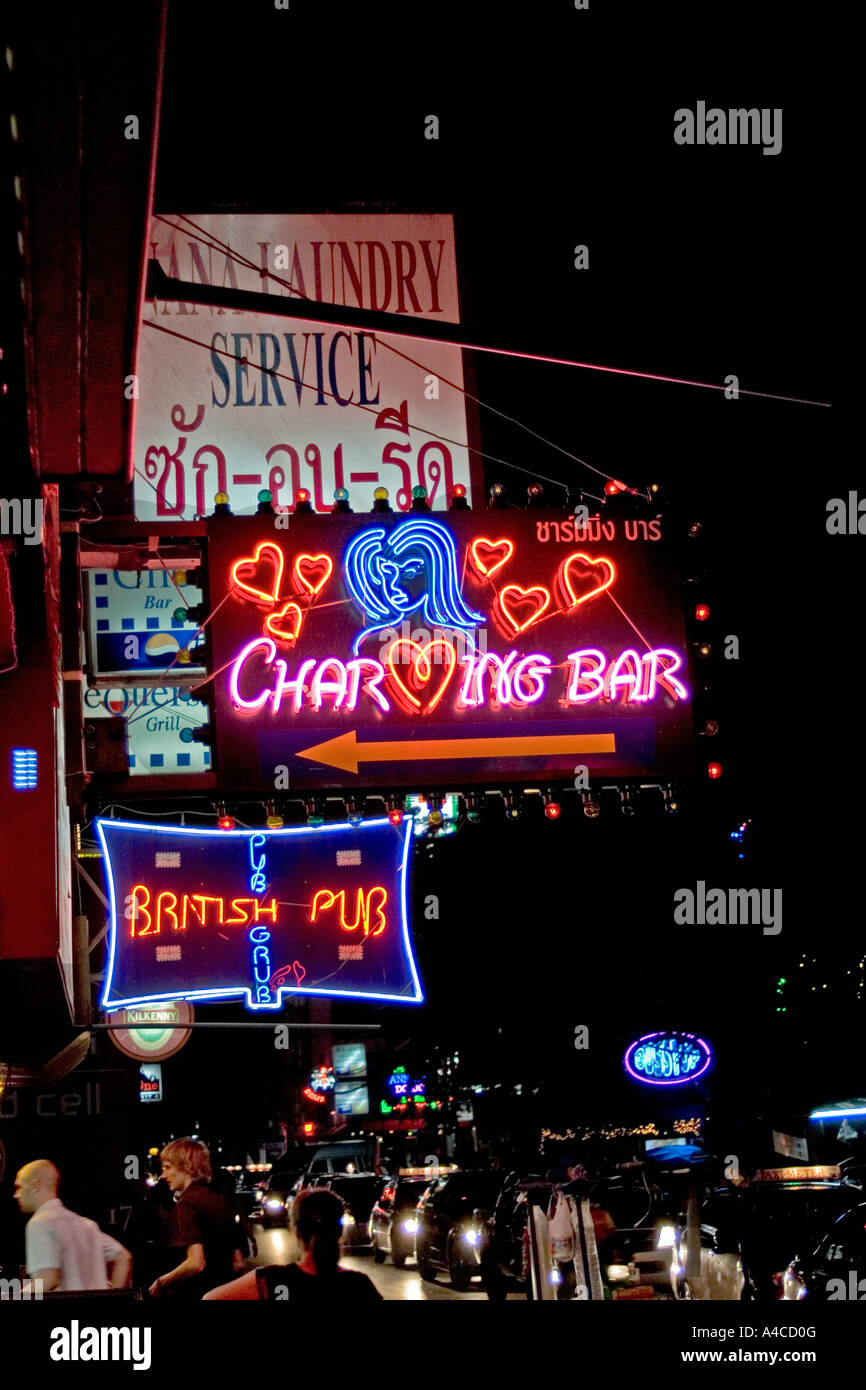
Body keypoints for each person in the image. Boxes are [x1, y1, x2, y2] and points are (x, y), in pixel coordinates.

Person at [204, 1187, 383, 1301]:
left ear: (296, 1231)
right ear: (340, 1232)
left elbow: (210, 1298)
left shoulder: (273, 1281)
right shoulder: (358, 1286)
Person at [14, 1159, 132, 1293]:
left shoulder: (39, 1223)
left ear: (36, 1185)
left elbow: (49, 1279)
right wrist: (112, 1296)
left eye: (19, 1187)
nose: (16, 1195)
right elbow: (123, 1256)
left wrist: (15, 1298)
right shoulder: (88, 1226)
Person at [148, 1139, 246, 1300]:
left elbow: (196, 1263)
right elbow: (239, 1262)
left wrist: (161, 1283)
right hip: (223, 1292)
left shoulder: (187, 1203)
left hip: (198, 1292)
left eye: (167, 1167)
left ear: (185, 1167)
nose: (163, 1175)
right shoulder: (218, 1200)